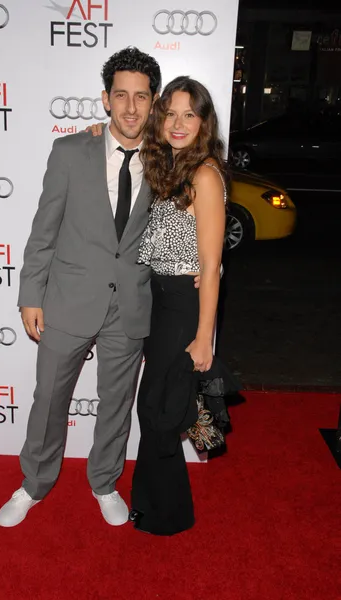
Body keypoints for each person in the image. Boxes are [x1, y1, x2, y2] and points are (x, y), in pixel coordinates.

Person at [0, 47, 162, 528]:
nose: (131, 108)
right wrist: (30, 293)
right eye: (122, 96)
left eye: (142, 97)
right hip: (68, 299)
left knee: (116, 402)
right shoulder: (70, 151)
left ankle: (105, 481)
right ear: (106, 100)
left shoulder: (166, 159)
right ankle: (33, 483)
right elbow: (43, 229)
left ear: (153, 103)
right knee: (48, 397)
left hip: (129, 303)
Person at [129, 76, 230, 535]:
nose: (178, 122)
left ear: (204, 121)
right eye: (170, 112)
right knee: (155, 408)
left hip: (182, 308)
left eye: (189, 114)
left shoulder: (205, 175)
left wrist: (203, 337)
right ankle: (156, 506)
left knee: (159, 409)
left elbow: (210, 267)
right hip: (158, 300)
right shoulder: (169, 167)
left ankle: (166, 513)